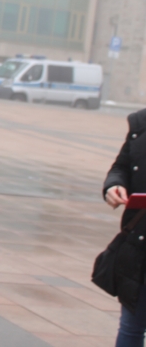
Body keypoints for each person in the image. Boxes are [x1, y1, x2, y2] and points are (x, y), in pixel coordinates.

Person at [103, 108, 146, 347]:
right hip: (140, 243)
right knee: (131, 327)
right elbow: (121, 167)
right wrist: (114, 185)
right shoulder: (141, 123)